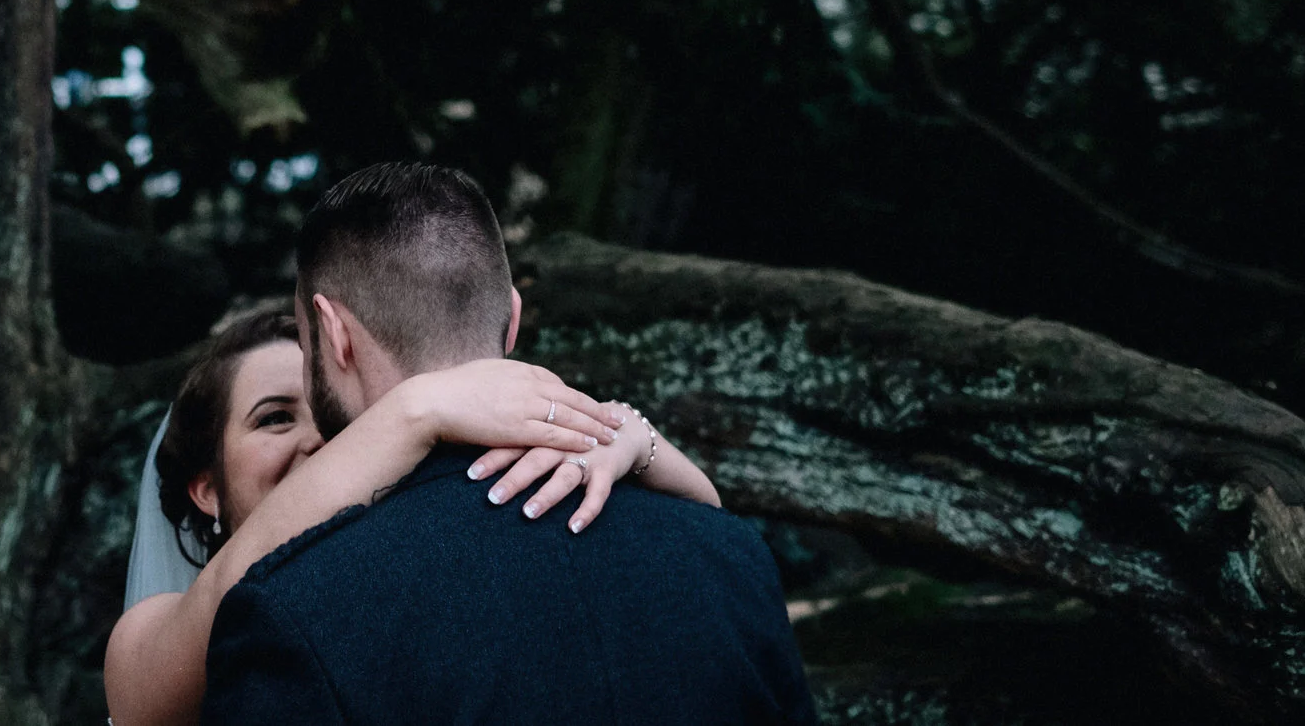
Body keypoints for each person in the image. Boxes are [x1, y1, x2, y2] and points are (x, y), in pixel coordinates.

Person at [194, 162, 816, 726]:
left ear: (334, 337)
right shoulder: (726, 552)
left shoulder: (297, 607)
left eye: (305, 348)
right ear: (512, 319)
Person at [105, 260, 724, 726]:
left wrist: (624, 435)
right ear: (206, 490)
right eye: (273, 418)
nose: (322, 441)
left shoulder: (414, 582)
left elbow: (717, 546)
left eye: (328, 414)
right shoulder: (152, 633)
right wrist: (415, 407)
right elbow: (228, 592)